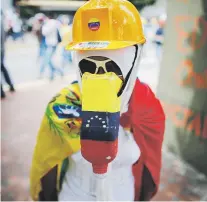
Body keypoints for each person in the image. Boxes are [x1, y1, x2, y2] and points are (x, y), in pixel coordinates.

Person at [30, 0, 165, 201]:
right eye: (89, 66)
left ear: (136, 57)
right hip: (74, 194)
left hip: (124, 193)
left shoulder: (146, 104)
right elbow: (46, 164)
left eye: (110, 65)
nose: (100, 75)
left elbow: (150, 162)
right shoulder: (63, 105)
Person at [39, 15, 64, 80]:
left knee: (47, 59)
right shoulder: (54, 22)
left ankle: (56, 72)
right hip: (51, 43)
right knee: (48, 60)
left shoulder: (50, 23)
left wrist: (44, 26)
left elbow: (44, 33)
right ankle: (56, 73)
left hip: (52, 44)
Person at [1, 11, 15, 99]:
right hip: (1, 49)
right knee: (2, 67)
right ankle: (10, 85)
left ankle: (2, 91)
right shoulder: (1, 21)